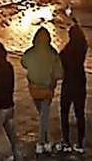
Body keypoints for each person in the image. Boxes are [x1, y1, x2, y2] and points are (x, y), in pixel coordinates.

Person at [21, 26, 64, 155]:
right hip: (47, 89)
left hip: (33, 88)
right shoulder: (53, 53)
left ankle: (46, 141)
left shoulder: (31, 52)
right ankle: (42, 143)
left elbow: (23, 61)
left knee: (42, 115)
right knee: (43, 116)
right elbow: (59, 73)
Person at [57, 24, 88, 154]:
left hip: (69, 82)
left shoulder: (67, 50)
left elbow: (61, 58)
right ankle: (80, 143)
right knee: (80, 114)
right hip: (80, 81)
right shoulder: (82, 47)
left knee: (64, 113)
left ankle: (66, 141)